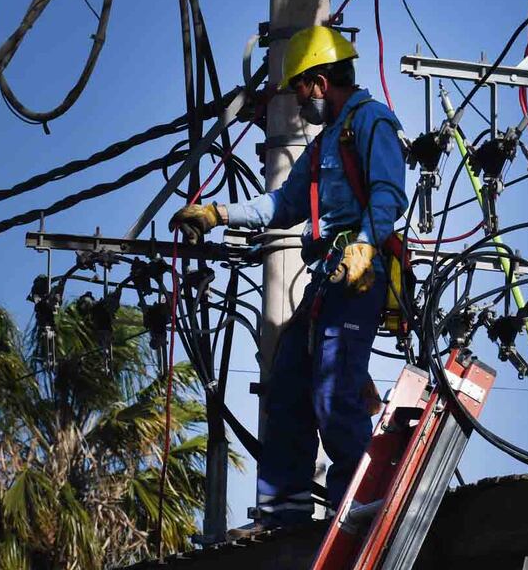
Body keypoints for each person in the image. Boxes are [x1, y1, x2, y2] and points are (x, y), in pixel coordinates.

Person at [169, 26, 408, 529]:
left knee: (333, 390)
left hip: (359, 277)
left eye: (300, 87)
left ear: (320, 81)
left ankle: (356, 503)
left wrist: (364, 246)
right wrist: (218, 214)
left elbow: (388, 194)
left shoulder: (371, 123)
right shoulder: (324, 145)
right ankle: (285, 512)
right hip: (327, 277)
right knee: (287, 387)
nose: (298, 99)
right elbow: (282, 205)